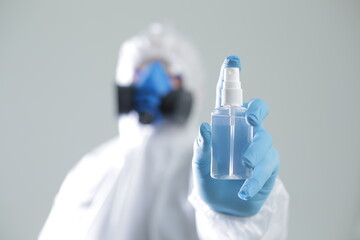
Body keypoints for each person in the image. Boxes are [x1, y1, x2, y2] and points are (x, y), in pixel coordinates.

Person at [39, 23, 289, 240]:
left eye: (170, 74)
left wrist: (234, 220)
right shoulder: (92, 171)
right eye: (140, 71)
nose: (151, 82)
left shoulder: (208, 169)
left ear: (194, 88)